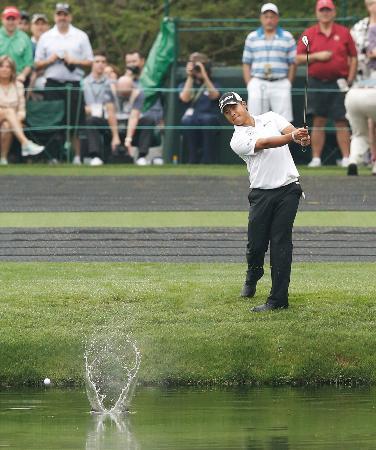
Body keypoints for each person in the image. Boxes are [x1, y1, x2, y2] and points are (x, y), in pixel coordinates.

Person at [219, 91, 310, 312]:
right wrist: (292, 137)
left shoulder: (271, 117)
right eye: (227, 112)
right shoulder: (237, 139)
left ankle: (278, 300)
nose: (232, 113)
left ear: (244, 104)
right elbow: (267, 142)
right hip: (261, 194)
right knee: (256, 245)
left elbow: (291, 133)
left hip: (289, 189)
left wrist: (301, 138)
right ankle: (253, 274)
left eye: (234, 107)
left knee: (281, 243)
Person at [296, 0, 357, 168]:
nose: (325, 13)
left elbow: (353, 57)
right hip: (317, 82)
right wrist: (317, 56)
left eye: (328, 10)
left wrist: (350, 78)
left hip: (339, 82)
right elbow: (298, 58)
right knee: (318, 121)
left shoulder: (344, 33)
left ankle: (347, 158)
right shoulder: (309, 33)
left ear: (334, 12)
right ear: (317, 13)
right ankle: (316, 158)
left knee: (341, 121)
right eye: (322, 10)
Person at [34, 3, 94, 165]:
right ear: (55, 16)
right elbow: (36, 64)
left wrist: (73, 61)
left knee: (75, 122)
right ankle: (53, 157)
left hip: (73, 83)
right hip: (53, 84)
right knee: (53, 122)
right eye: (59, 14)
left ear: (70, 17)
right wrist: (50, 60)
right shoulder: (46, 37)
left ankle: (77, 157)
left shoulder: (80, 36)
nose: (62, 17)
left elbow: (90, 62)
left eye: (65, 14)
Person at [242, 3, 296, 121]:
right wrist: (249, 83)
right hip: (258, 81)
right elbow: (246, 63)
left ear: (277, 18)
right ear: (261, 18)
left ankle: (283, 141)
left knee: (283, 121)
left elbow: (293, 63)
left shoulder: (287, 37)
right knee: (256, 120)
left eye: (272, 17)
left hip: (280, 82)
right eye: (266, 17)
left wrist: (288, 82)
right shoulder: (252, 37)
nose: (269, 20)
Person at [348, 0, 376, 175]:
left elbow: (352, 56)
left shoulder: (362, 28)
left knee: (361, 131)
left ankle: (354, 159)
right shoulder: (359, 28)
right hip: (366, 86)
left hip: (356, 91)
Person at [0, 56, 44, 165]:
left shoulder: (18, 86)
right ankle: (25, 143)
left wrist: (15, 120)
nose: (5, 69)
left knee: (7, 125)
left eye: (8, 67)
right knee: (9, 111)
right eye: (1, 66)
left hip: (10, 121)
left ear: (12, 70)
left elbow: (21, 110)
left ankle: (3, 158)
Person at [179, 52, 221, 164]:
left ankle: (207, 160)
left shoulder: (214, 83)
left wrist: (204, 75)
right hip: (192, 118)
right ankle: (192, 159)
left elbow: (215, 95)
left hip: (209, 117)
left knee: (207, 119)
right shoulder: (186, 83)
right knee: (187, 121)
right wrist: (190, 76)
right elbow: (185, 98)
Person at [83, 51, 120, 166]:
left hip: (110, 118)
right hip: (91, 118)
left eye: (103, 62)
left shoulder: (112, 83)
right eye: (97, 61)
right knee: (91, 121)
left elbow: (117, 105)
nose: (100, 64)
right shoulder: (83, 83)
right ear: (92, 64)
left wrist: (114, 86)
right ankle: (95, 156)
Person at [114, 75, 154, 165]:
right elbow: (110, 114)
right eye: (122, 93)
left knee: (148, 120)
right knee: (93, 121)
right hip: (114, 124)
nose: (124, 95)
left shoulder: (138, 93)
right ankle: (97, 157)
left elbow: (134, 116)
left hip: (132, 126)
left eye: (127, 93)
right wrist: (115, 136)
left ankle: (141, 156)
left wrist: (128, 139)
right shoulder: (111, 91)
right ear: (117, 87)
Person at [0, 6, 33, 84]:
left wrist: (22, 76)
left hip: (18, 79)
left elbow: (29, 63)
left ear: (18, 20)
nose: (11, 22)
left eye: (13, 19)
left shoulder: (25, 38)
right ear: (2, 19)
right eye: (8, 19)